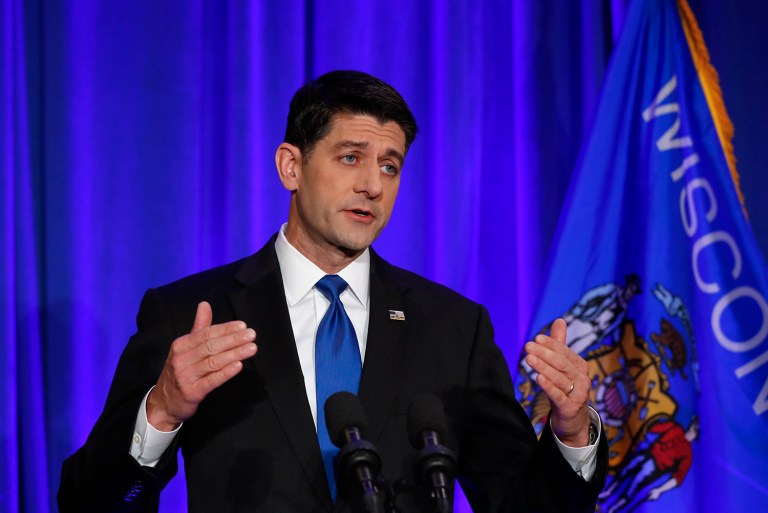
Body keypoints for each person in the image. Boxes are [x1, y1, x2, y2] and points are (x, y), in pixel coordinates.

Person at [58, 70, 607, 513]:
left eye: (389, 166)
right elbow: (92, 504)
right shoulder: (191, 315)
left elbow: (523, 503)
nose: (372, 184)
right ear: (291, 166)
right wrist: (161, 412)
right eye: (351, 158)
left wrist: (572, 433)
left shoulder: (453, 328)